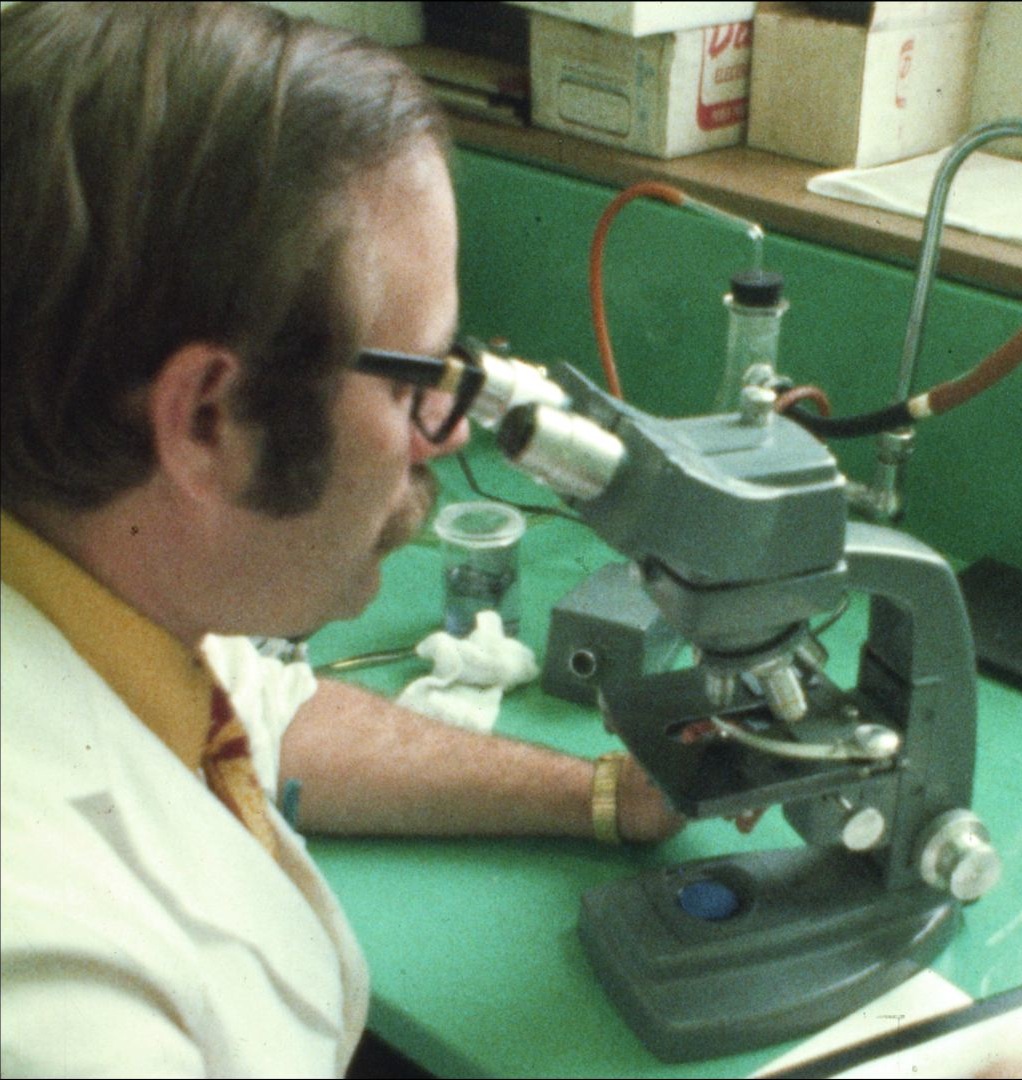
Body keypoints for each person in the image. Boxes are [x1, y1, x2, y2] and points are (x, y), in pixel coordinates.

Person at [0, 3, 681, 1075]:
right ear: (208, 420)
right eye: (419, 380)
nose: (450, 433)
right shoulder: (61, 1002)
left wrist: (605, 794)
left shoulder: (94, 572)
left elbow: (270, 716)